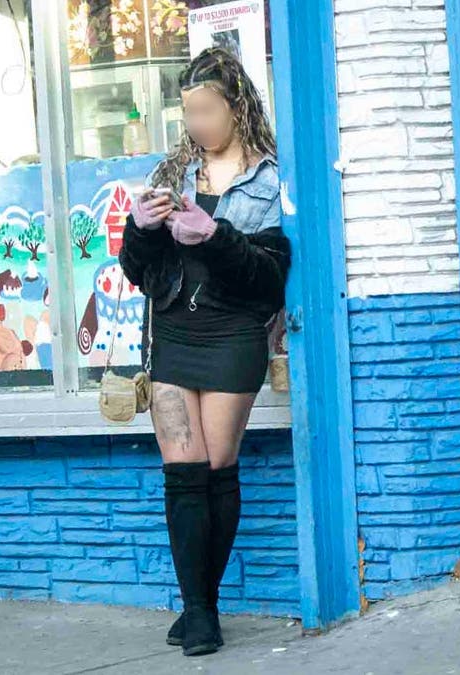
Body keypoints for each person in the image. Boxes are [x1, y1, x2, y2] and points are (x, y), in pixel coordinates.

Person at [119, 47, 290, 657]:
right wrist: (138, 230)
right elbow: (137, 273)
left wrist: (216, 239)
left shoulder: (268, 182)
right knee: (182, 475)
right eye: (188, 112)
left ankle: (201, 602)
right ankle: (199, 611)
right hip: (174, 338)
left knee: (216, 471)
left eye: (206, 110)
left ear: (236, 107)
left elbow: (269, 283)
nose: (196, 125)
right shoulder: (171, 174)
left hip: (231, 340)